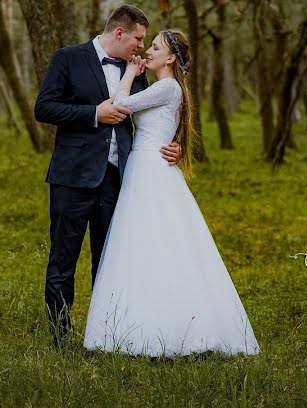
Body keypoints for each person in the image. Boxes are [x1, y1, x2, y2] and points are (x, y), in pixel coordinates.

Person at [83, 30, 260, 357]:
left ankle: (161, 330)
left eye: (155, 47)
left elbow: (121, 105)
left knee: (150, 243)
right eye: (148, 46)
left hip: (150, 170)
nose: (147, 51)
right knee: (149, 245)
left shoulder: (166, 86)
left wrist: (130, 73)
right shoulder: (164, 88)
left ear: (170, 59)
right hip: (146, 165)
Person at [34, 5, 183, 346]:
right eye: (139, 38)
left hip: (119, 179)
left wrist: (175, 146)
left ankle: (108, 333)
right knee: (63, 258)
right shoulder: (69, 58)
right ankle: (61, 335)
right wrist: (93, 113)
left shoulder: (138, 70)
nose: (141, 47)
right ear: (120, 33)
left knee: (111, 258)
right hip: (73, 177)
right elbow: (44, 107)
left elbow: (159, 111)